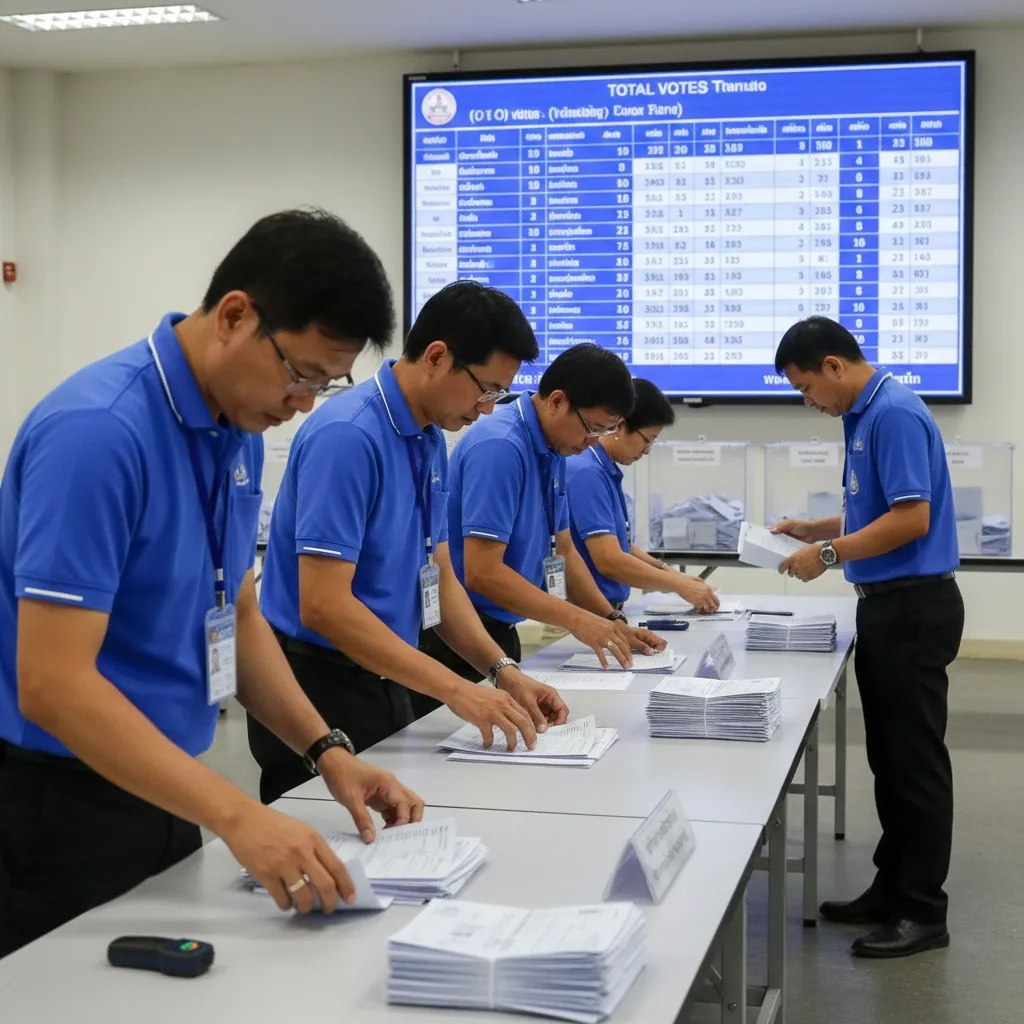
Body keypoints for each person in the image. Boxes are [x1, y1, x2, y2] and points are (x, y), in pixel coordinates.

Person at [0, 209, 426, 958]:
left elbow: (240, 610)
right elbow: (51, 682)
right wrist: (239, 816)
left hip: (163, 783)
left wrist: (327, 751)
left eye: (325, 387)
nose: (301, 404)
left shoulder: (234, 427)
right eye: (300, 375)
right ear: (235, 315)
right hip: (55, 803)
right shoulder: (98, 433)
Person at [253, 282, 568, 804]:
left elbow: (438, 574)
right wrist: (456, 688)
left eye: (498, 395)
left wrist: (502, 672)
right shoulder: (349, 436)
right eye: (484, 389)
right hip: (320, 684)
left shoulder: (426, 439)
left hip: (387, 672)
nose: (487, 410)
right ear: (438, 357)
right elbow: (324, 605)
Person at [772, 316, 962, 960]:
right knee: (890, 760)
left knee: (915, 766)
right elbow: (876, 509)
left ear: (833, 365)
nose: (809, 403)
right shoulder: (862, 414)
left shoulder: (894, 414)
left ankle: (922, 911)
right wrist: (817, 527)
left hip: (914, 608)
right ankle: (892, 887)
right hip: (887, 608)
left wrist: (826, 553)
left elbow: (912, 519)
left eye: (806, 388)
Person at [426, 344, 667, 682]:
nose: (593, 443)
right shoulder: (501, 447)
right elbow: (482, 573)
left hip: (501, 628)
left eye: (603, 432)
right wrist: (576, 618)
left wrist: (612, 621)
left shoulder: (553, 451)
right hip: (459, 637)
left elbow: (564, 551)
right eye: (592, 428)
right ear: (557, 402)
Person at [565, 377, 720, 614]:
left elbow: (622, 547)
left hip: (604, 610)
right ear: (619, 426)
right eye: (647, 440)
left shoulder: (604, 469)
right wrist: (678, 585)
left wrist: (673, 574)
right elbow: (609, 560)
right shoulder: (586, 472)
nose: (646, 451)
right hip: (583, 614)